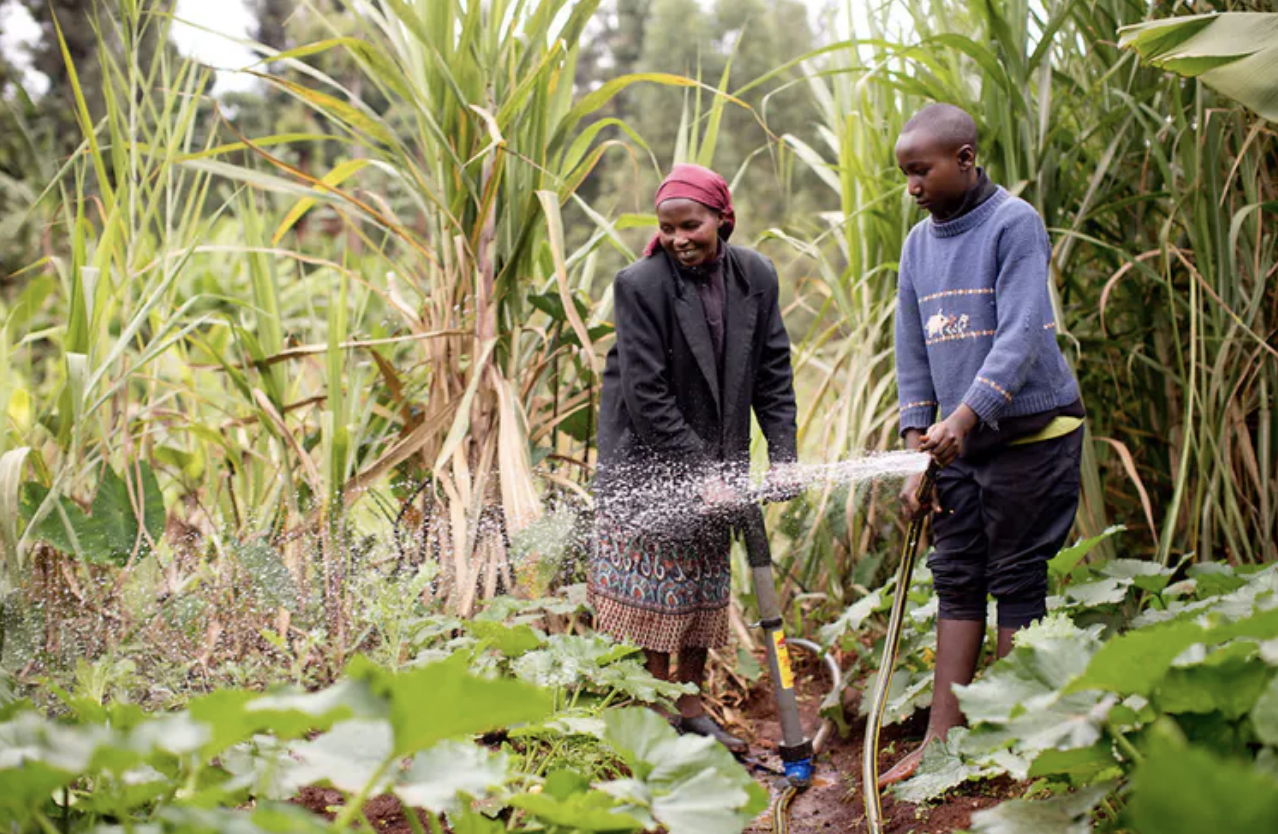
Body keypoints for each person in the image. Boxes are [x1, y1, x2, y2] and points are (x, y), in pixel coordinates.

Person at [879, 104, 1086, 786]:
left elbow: (1022, 333)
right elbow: (911, 350)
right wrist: (919, 448)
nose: (912, 186)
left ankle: (1016, 741)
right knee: (958, 575)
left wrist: (964, 418)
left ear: (965, 159)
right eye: (905, 173)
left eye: (922, 171)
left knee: (1018, 578)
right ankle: (944, 739)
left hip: (1030, 435)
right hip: (956, 447)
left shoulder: (1013, 223)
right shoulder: (917, 246)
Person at [589, 163, 799, 753]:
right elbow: (646, 393)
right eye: (668, 228)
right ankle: (657, 718)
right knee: (658, 595)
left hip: (720, 457)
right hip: (649, 460)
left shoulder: (756, 275)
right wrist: (700, 471)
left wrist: (782, 456)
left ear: (722, 219)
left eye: (692, 225)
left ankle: (691, 706)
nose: (680, 238)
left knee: (705, 586)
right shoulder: (640, 285)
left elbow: (772, 372)